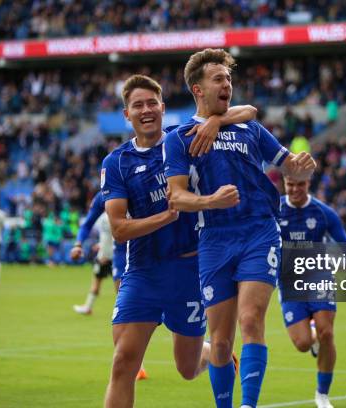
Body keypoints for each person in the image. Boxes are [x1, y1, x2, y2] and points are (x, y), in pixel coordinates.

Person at [164, 48, 315, 408]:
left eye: (229, 79)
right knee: (219, 342)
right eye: (218, 79)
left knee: (251, 321)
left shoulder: (250, 128)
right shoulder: (179, 138)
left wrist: (302, 166)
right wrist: (210, 201)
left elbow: (290, 167)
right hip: (213, 239)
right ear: (197, 89)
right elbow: (177, 197)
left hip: (258, 232)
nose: (227, 84)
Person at [102, 74, 256, 408]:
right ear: (126, 114)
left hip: (189, 272)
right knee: (122, 363)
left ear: (163, 107)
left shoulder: (184, 138)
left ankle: (215, 355)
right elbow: (118, 229)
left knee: (187, 369)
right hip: (142, 273)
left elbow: (249, 111)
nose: (146, 110)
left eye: (151, 103)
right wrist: (165, 216)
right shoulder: (116, 163)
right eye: (137, 105)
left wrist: (215, 121)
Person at [277, 175, 346, 408]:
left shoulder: (323, 212)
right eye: (290, 184)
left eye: (300, 184)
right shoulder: (275, 208)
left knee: (327, 334)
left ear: (308, 184)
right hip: (289, 283)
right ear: (285, 183)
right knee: (301, 344)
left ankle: (322, 395)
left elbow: (344, 243)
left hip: (319, 277)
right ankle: (311, 336)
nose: (295, 189)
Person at [70, 192, 148, 381]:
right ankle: (137, 365)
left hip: (146, 253)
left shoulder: (138, 184)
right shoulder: (103, 197)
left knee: (161, 311)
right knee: (128, 312)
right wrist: (78, 243)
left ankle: (207, 348)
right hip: (121, 258)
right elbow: (87, 223)